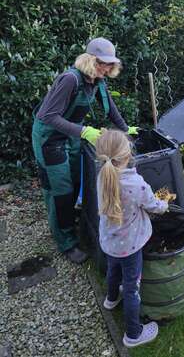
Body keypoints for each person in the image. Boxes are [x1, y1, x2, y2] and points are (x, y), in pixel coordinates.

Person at [32, 37, 138, 264]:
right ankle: (65, 242)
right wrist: (83, 131)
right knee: (60, 191)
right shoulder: (70, 80)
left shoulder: (97, 81)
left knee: (76, 183)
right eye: (103, 63)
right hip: (49, 139)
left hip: (70, 137)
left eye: (111, 64)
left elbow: (111, 110)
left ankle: (67, 222)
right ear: (90, 60)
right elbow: (48, 116)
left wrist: (126, 130)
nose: (107, 68)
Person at [95, 129, 168, 348]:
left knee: (113, 270)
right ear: (128, 155)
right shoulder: (136, 184)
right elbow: (153, 206)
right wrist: (164, 205)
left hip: (109, 242)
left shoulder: (103, 176)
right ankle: (134, 334)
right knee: (131, 287)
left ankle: (110, 299)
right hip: (130, 246)